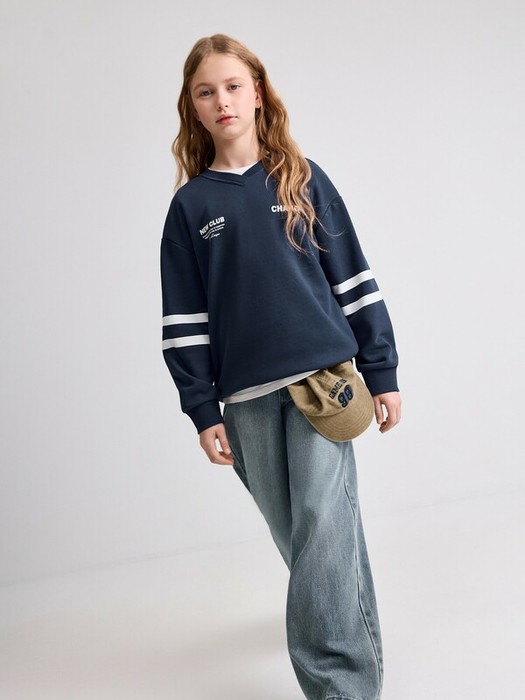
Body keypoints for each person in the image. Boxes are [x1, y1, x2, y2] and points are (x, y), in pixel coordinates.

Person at [160, 32, 401, 700]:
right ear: (193, 106)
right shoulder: (190, 209)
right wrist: (201, 409)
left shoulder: (301, 178)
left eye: (233, 86)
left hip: (325, 384)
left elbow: (353, 279)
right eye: (206, 91)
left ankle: (341, 688)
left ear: (257, 93)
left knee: (323, 532)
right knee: (304, 540)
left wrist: (381, 370)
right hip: (244, 402)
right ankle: (354, 647)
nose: (222, 100)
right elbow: (184, 321)